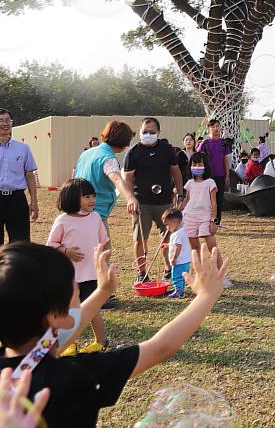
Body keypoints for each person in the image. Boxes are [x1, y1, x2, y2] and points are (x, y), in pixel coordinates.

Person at [0, 240, 227, 427]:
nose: (77, 286)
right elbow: (160, 347)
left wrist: (102, 292)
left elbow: (51, 339)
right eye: (72, 283)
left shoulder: (12, 368)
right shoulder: (73, 378)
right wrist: (206, 297)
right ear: (54, 315)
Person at [46, 179, 110, 355]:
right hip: (70, 276)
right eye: (87, 196)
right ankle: (69, 343)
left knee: (92, 309)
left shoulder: (96, 218)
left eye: (93, 196)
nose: (92, 200)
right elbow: (51, 245)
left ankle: (101, 341)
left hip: (91, 274)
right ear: (72, 198)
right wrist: (66, 251)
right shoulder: (63, 220)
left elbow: (103, 241)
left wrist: (102, 260)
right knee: (69, 311)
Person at [123, 118, 184, 284]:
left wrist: (180, 193)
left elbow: (176, 172)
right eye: (144, 131)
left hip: (164, 202)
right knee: (140, 239)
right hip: (141, 203)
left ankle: (168, 269)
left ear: (158, 133)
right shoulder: (133, 152)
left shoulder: (167, 150)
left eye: (151, 132)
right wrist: (131, 198)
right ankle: (142, 272)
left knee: (169, 238)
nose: (148, 134)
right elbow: (127, 178)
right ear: (140, 131)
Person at [74, 120, 139, 250]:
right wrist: (130, 198)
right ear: (124, 143)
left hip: (76, 210)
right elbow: (116, 178)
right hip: (95, 214)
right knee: (103, 254)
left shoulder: (86, 153)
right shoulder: (108, 158)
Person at [178, 153, 231, 288]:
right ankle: (200, 275)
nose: (197, 167)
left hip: (205, 218)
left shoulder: (210, 183)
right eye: (194, 164)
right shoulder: (189, 183)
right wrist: (178, 211)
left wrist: (213, 220)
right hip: (189, 217)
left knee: (212, 246)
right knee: (195, 247)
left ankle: (222, 276)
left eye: (200, 164)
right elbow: (187, 199)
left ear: (205, 166)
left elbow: (214, 203)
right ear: (190, 167)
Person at [0, 109, 38, 245]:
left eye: (8, 120)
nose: (5, 124)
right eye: (1, 120)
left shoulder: (23, 148)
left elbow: (30, 175)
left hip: (17, 200)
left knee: (20, 245)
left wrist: (34, 201)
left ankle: (18, 267)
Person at [197, 119, 231, 227]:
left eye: (217, 126)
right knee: (207, 200)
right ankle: (206, 221)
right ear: (209, 129)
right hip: (207, 176)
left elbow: (226, 160)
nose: (215, 129)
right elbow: (199, 159)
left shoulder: (224, 143)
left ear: (220, 128)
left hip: (220, 175)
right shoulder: (204, 143)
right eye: (213, 127)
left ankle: (217, 222)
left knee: (219, 199)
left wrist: (227, 175)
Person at [160, 209, 192, 298]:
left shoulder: (177, 234)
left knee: (176, 277)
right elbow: (176, 244)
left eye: (167, 224)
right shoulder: (181, 232)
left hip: (179, 261)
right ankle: (180, 289)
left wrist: (174, 258)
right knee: (183, 276)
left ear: (174, 222)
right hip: (185, 260)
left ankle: (179, 292)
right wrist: (168, 245)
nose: (167, 227)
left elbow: (178, 246)